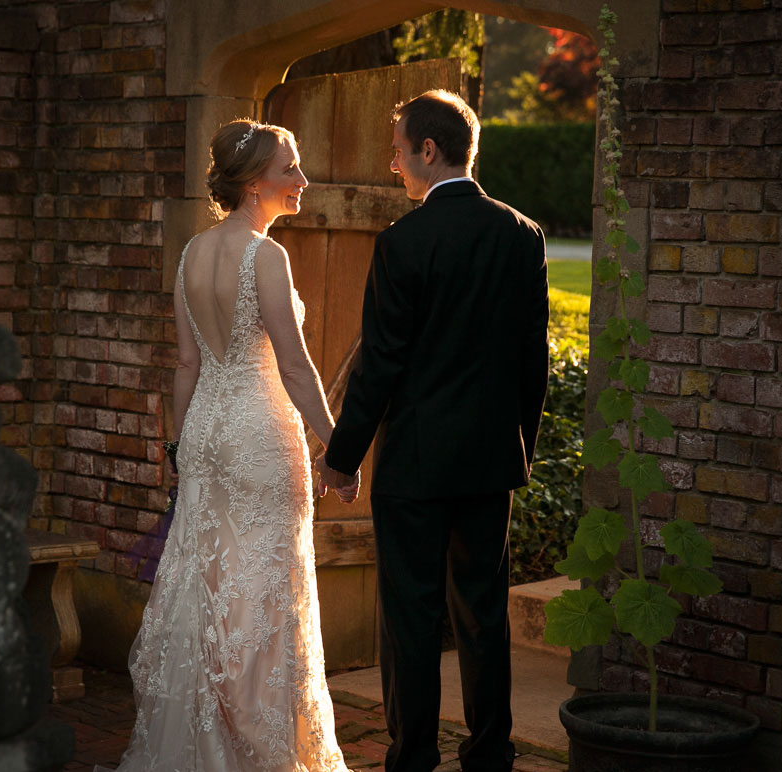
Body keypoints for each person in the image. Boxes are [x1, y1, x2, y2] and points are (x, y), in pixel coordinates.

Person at [102, 120, 357, 772]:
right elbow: (296, 371)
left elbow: (186, 365)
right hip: (259, 436)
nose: (302, 181)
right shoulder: (264, 257)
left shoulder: (191, 253)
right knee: (266, 594)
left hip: (208, 435)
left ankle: (202, 744)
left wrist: (180, 449)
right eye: (290, 170)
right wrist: (339, 446)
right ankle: (260, 752)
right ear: (252, 182)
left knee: (211, 592)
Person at [317, 90, 550, 772]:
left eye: (396, 150)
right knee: (485, 616)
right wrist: (520, 451)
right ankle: (489, 755)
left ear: (428, 150)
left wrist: (342, 457)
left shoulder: (402, 242)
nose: (392, 165)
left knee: (411, 618)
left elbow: (381, 364)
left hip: (415, 467)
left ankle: (413, 758)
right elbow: (529, 360)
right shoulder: (523, 234)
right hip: (488, 463)